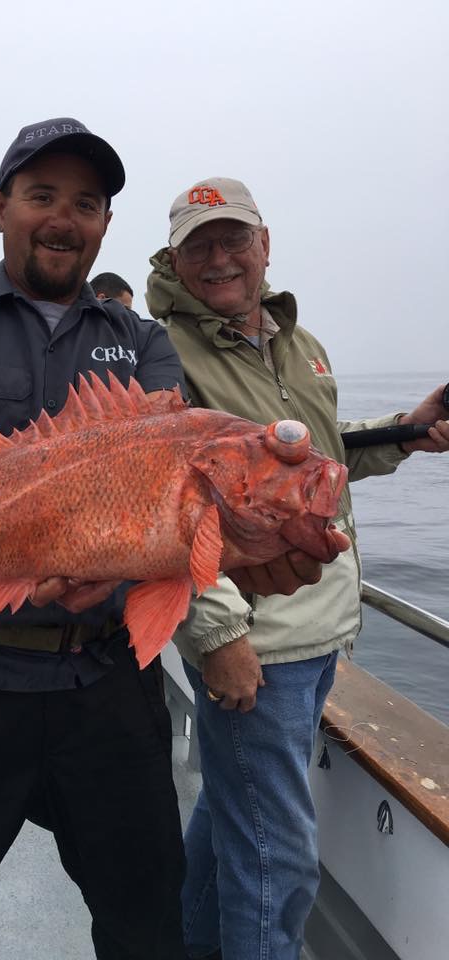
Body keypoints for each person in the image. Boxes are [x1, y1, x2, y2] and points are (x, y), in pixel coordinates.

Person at [0, 125, 347, 960]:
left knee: (148, 929)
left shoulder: (142, 342)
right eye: (41, 196)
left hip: (106, 687)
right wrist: (20, 546)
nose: (63, 218)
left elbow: (169, 539)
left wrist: (246, 554)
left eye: (85, 203)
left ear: (105, 223)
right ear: (0, 206)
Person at [145, 176, 449, 960]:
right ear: (174, 261)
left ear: (265, 244)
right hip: (259, 643)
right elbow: (172, 512)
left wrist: (408, 431)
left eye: (234, 239)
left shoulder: (299, 343)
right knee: (275, 863)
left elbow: (318, 461)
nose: (219, 258)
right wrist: (220, 636)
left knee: (231, 823)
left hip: (323, 635)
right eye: (199, 247)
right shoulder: (163, 355)